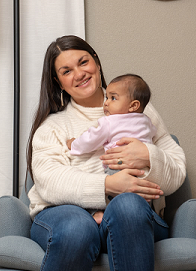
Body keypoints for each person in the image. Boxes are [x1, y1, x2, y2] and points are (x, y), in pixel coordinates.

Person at [26, 35, 186, 271]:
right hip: (65, 216)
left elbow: (178, 169)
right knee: (77, 228)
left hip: (130, 219)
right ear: (59, 82)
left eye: (83, 62)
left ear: (97, 63)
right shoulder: (52, 127)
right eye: (66, 71)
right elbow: (48, 181)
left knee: (129, 206)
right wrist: (107, 185)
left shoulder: (141, 113)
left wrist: (148, 155)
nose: (79, 74)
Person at [66, 73, 156, 224]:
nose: (106, 103)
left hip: (117, 169)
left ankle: (98, 213)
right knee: (139, 199)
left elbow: (90, 139)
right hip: (143, 171)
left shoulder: (109, 122)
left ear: (133, 105)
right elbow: (152, 135)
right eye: (107, 97)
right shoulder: (147, 121)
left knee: (100, 191)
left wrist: (74, 144)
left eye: (113, 98)